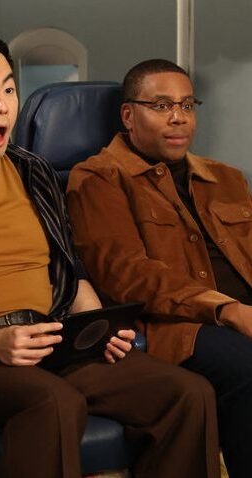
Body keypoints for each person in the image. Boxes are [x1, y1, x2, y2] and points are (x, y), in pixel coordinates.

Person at [0, 30, 220, 478]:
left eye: (8, 89)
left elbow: (70, 275)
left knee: (187, 394)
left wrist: (97, 327)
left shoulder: (33, 170)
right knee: (55, 402)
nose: (2, 106)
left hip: (54, 342)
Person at [66, 58, 252, 478]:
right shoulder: (98, 178)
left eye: (187, 105)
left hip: (239, 314)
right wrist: (227, 310)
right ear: (128, 115)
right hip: (175, 327)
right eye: (162, 105)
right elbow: (127, 274)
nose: (178, 118)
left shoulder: (225, 177)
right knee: (246, 366)